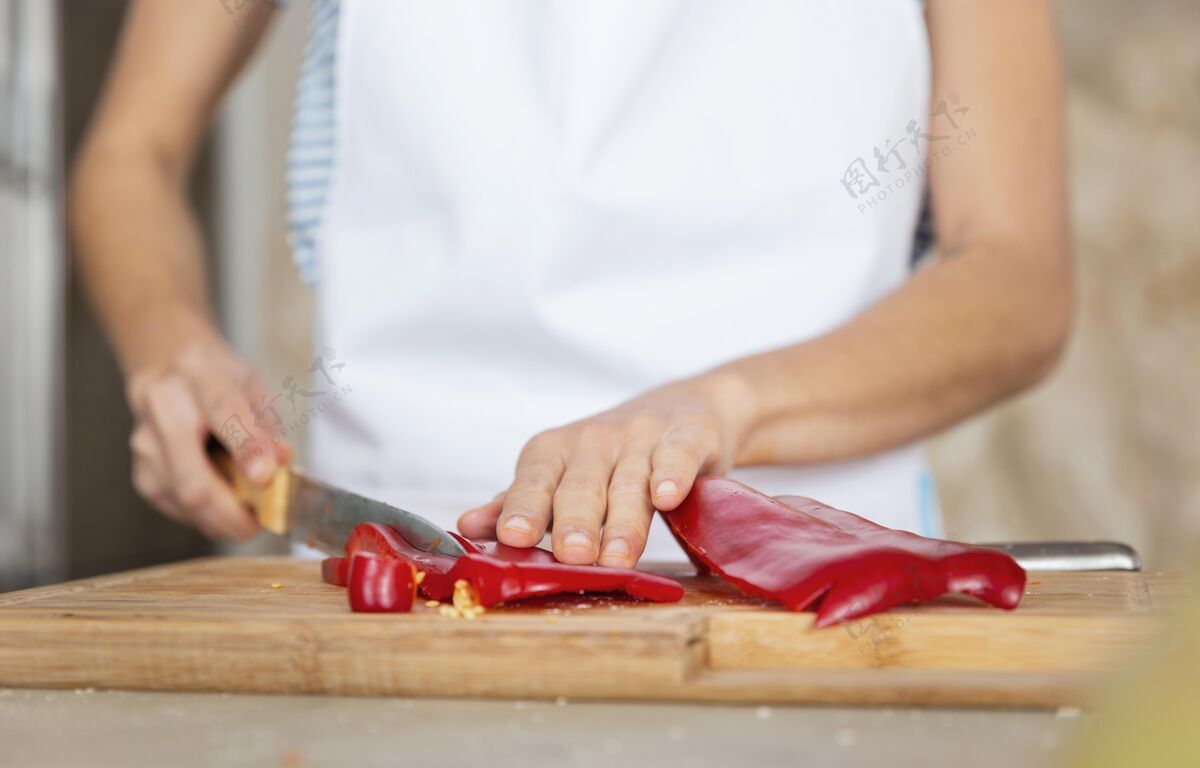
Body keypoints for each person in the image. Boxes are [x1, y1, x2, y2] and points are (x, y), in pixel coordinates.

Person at [70, 0, 1071, 566]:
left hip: (805, 573)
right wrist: (176, 350)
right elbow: (132, 152)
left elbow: (1016, 276)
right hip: (393, 565)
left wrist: (715, 406)